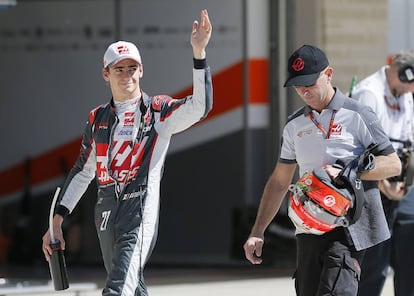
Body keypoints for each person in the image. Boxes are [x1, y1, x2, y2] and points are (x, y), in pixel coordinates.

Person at [42, 9, 212, 296]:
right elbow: (83, 172)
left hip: (140, 209)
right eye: (119, 69)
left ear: (141, 71)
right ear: (105, 74)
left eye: (132, 68)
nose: (127, 75)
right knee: (132, 287)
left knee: (118, 287)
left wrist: (199, 53)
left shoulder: (157, 111)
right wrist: (56, 221)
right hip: (106, 211)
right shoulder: (97, 119)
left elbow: (200, 107)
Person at [243, 44, 402, 296]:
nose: (304, 90)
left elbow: (393, 163)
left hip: (348, 229)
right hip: (307, 228)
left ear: (328, 74)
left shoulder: (358, 113)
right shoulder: (294, 124)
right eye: (297, 85)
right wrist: (258, 230)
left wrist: (350, 172)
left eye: (310, 83)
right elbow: (279, 181)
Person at [352, 51, 414, 296]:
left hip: (400, 183)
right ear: (404, 74)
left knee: (410, 252)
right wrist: (383, 184)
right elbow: (358, 150)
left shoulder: (405, 97)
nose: (412, 91)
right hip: (371, 183)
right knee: (375, 264)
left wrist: (406, 182)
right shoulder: (369, 93)